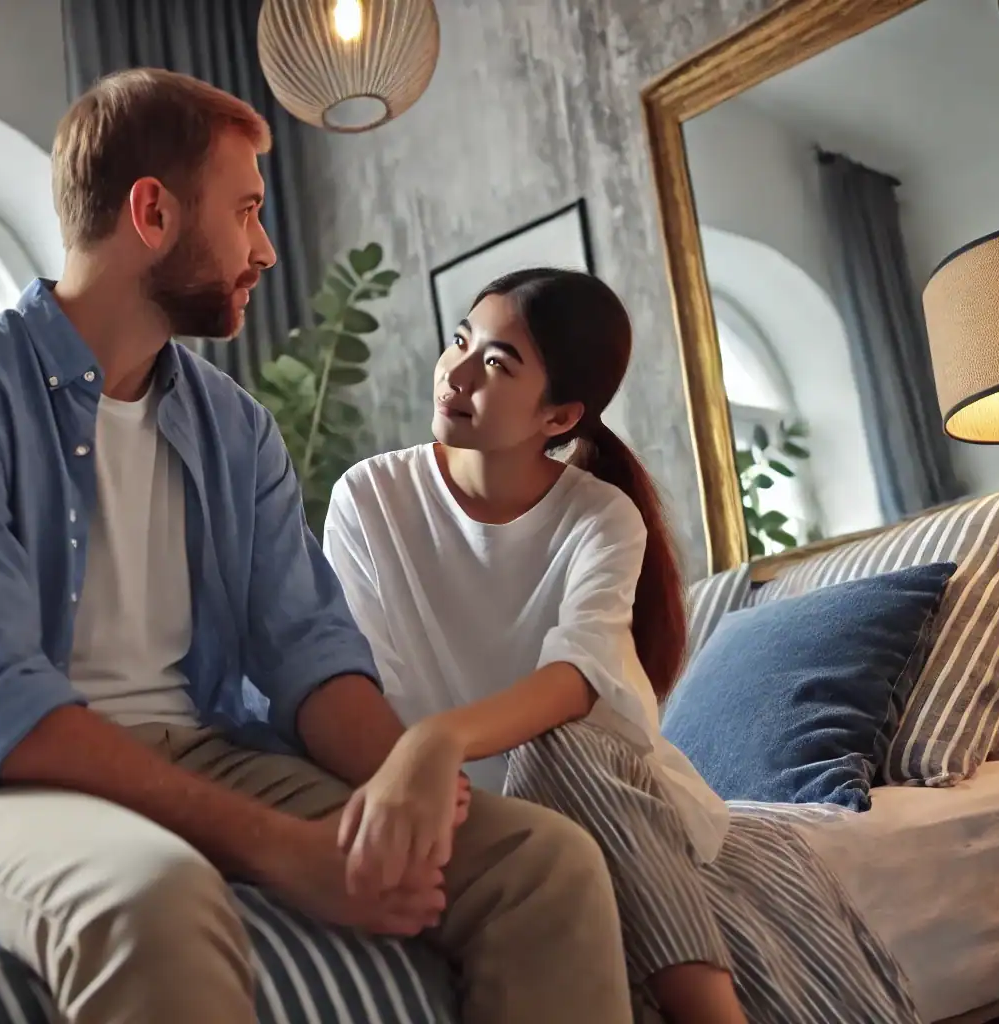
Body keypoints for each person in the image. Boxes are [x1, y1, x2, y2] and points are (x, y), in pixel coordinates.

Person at [0, 71, 634, 1024]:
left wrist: (407, 781)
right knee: (154, 899)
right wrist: (282, 849)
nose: (266, 249)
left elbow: (308, 654)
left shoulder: (237, 429)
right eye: (245, 212)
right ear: (152, 212)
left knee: (544, 863)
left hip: (205, 750)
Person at [322, 269, 915, 1024]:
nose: (458, 372)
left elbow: (579, 679)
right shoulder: (369, 497)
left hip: (605, 790)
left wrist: (441, 740)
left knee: (555, 746)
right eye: (460, 340)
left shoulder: (601, 517)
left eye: (499, 364)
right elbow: (365, 680)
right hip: (450, 801)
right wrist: (424, 768)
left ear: (560, 414)